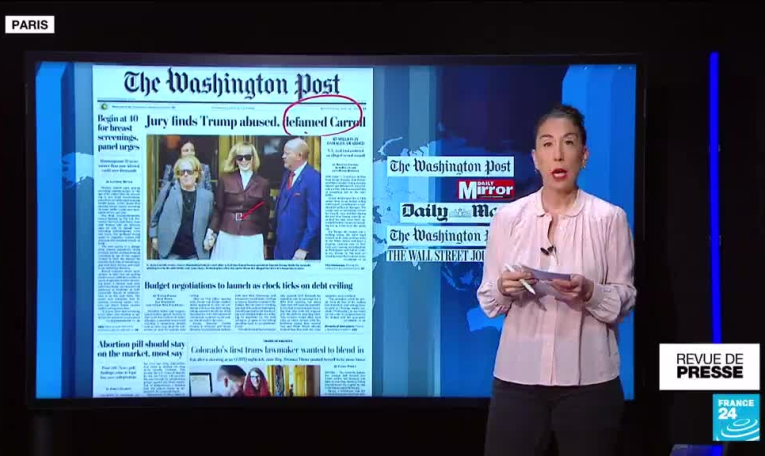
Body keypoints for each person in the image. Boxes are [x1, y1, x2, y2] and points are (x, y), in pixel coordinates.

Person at [478, 104, 637, 456]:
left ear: (584, 155)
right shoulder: (507, 218)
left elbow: (625, 298)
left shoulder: (610, 219)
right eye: (548, 144)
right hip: (517, 381)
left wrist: (591, 292)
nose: (558, 154)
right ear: (535, 159)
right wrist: (504, 287)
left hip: (590, 383)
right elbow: (488, 298)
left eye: (568, 142)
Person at [206, 142, 271, 262]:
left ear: (253, 158)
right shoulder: (225, 179)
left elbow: (264, 216)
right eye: (240, 157)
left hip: (252, 235)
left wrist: (264, 242)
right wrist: (211, 231)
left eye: (247, 157)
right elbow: (218, 209)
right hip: (227, 233)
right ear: (235, 160)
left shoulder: (263, 183)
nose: (244, 161)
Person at [148, 155, 215, 260]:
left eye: (189, 171)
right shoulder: (168, 191)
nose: (185, 175)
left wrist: (212, 237)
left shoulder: (207, 197)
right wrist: (154, 236)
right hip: (170, 254)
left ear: (197, 173)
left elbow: (213, 222)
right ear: (178, 175)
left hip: (196, 255)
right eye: (182, 172)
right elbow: (155, 216)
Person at [273, 138, 321, 260]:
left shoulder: (313, 179)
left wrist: (304, 248)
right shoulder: (287, 175)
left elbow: (315, 217)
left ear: (299, 156)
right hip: (280, 247)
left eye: (287, 153)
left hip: (299, 251)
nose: (283, 156)